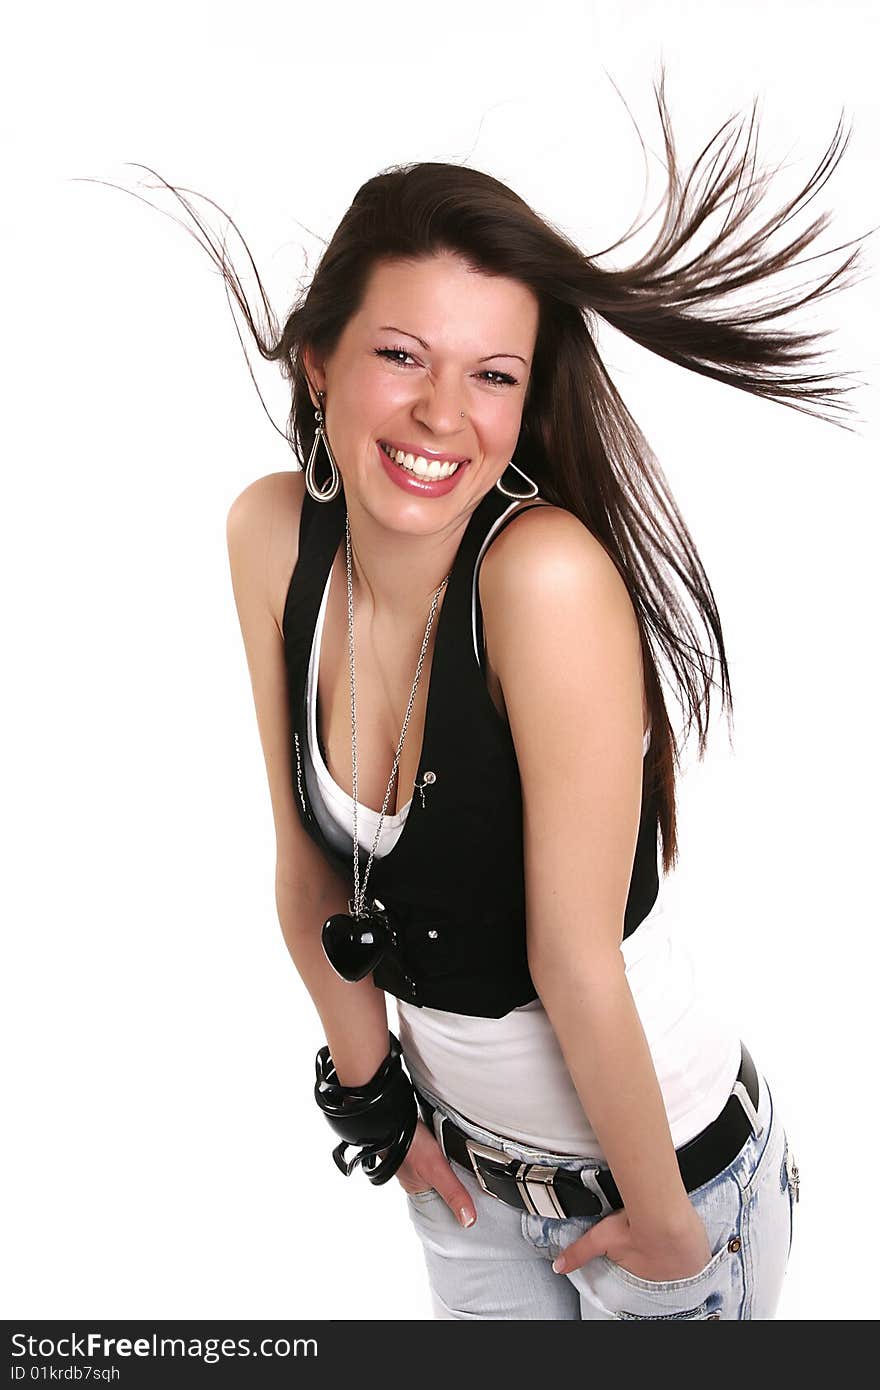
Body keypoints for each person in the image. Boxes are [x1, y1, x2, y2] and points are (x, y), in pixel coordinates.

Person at [216, 84, 867, 1319]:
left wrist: (667, 1222)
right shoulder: (268, 538)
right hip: (459, 1175)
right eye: (400, 355)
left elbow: (570, 956)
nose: (442, 416)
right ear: (320, 357)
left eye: (493, 374)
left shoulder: (544, 576)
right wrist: (374, 1104)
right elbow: (307, 868)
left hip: (662, 1181)